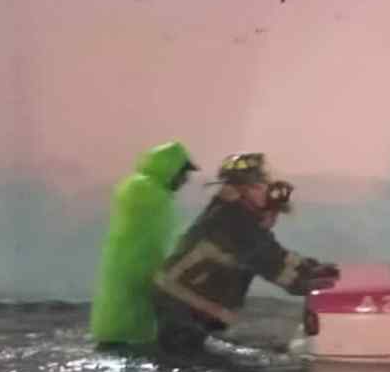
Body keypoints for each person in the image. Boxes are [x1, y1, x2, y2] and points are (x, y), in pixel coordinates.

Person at [152, 152, 340, 355]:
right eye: (258, 185)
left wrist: (314, 268)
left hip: (190, 309)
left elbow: (276, 254)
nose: (265, 189)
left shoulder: (233, 215)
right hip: (180, 311)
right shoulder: (231, 221)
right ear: (238, 190)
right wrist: (311, 280)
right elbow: (271, 262)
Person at [91, 141, 199, 349]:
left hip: (136, 271)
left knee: (125, 329)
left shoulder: (144, 188)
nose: (185, 180)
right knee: (128, 336)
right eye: (183, 173)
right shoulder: (145, 189)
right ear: (170, 167)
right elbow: (159, 234)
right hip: (136, 271)